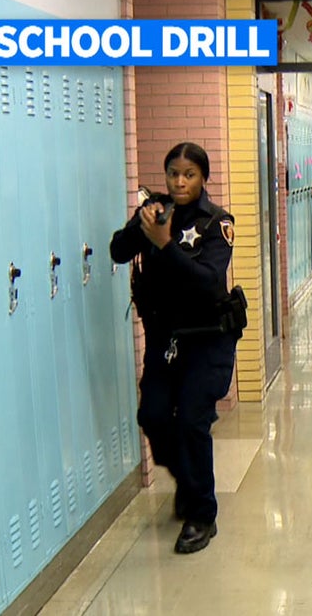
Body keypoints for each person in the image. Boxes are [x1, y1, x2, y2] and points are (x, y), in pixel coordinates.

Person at [110, 142, 237, 553]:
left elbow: (207, 280)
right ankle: (186, 476)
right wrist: (140, 226)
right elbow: (117, 250)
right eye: (172, 174)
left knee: (193, 421)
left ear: (204, 178)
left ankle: (202, 515)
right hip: (165, 338)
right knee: (152, 414)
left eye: (189, 175)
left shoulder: (217, 223)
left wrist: (165, 243)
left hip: (207, 338)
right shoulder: (156, 212)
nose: (179, 182)